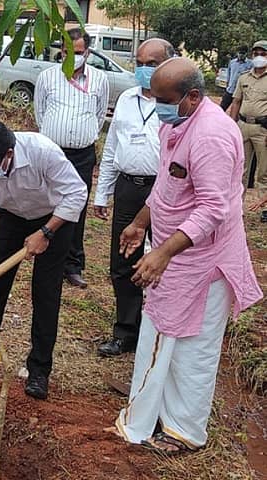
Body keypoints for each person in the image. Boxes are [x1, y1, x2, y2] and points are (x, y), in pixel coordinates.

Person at [113, 57, 262, 455]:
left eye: (164, 100)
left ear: (193, 97)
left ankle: (184, 431)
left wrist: (163, 253)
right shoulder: (175, 123)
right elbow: (167, 183)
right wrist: (141, 222)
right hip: (175, 252)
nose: (157, 107)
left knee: (193, 348)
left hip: (202, 261)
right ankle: (157, 412)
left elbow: (214, 209)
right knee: (164, 336)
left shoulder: (211, 136)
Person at [0, 118, 87, 400]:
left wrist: (46, 232)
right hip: (12, 216)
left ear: (8, 155)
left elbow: (76, 192)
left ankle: (39, 371)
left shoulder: (42, 151)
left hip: (55, 218)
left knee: (45, 293)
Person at [92, 39, 174, 358]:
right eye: (139, 63)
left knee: (167, 259)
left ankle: (162, 331)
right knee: (123, 259)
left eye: (151, 64)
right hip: (128, 187)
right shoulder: (126, 99)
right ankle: (126, 331)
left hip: (165, 190)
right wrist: (102, 193)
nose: (144, 70)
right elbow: (112, 147)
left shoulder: (175, 105)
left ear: (168, 64)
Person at [34, 28, 108, 289]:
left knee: (77, 206)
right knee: (48, 202)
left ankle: (73, 264)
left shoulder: (99, 80)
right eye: (67, 52)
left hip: (82, 155)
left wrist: (82, 134)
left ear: (87, 52)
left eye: (78, 52)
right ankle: (45, 254)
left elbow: (100, 115)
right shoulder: (47, 77)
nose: (72, 57)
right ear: (61, 52)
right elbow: (40, 112)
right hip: (52, 152)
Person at [227, 40, 267, 190]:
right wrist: (232, 127)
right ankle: (238, 203)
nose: (259, 57)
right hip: (243, 127)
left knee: (264, 173)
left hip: (263, 129)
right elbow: (236, 102)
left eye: (263, 54)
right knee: (240, 171)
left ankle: (263, 203)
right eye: (256, 54)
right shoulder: (244, 77)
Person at [221, 46, 251, 111]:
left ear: (246, 53)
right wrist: (227, 87)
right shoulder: (232, 62)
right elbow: (228, 75)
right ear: (237, 53)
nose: (241, 55)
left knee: (237, 111)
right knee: (221, 109)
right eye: (239, 53)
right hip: (230, 90)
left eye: (243, 53)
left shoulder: (251, 64)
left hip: (242, 92)